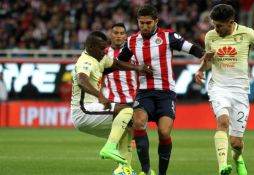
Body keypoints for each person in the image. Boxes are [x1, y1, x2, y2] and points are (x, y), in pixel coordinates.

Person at [116, 5, 209, 175]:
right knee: (138, 122)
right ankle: (145, 171)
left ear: (156, 21)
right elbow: (118, 62)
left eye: (148, 23)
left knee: (164, 132)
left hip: (166, 93)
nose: (144, 26)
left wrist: (204, 55)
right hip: (144, 92)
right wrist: (137, 68)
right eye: (141, 23)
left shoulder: (168, 36)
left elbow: (191, 48)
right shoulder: (131, 41)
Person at [194, 4, 254, 175]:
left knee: (236, 142)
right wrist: (201, 68)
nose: (215, 28)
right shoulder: (210, 36)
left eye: (219, 25)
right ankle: (222, 166)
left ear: (231, 22)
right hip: (218, 87)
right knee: (222, 123)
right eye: (214, 24)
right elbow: (209, 60)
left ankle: (237, 159)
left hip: (240, 91)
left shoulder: (247, 34)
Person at [70, 31, 152, 167]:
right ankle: (109, 147)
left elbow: (117, 64)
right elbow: (81, 80)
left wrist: (137, 68)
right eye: (101, 48)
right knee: (126, 110)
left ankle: (123, 169)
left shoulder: (99, 58)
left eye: (105, 47)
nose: (104, 51)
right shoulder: (85, 61)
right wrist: (100, 95)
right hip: (83, 111)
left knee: (127, 128)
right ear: (90, 47)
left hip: (93, 110)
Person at [103, 23, 137, 173]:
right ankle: (124, 168)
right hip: (114, 101)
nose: (118, 35)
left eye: (122, 33)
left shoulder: (133, 52)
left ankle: (125, 167)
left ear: (125, 36)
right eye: (115, 32)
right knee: (124, 134)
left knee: (132, 135)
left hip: (133, 98)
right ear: (111, 35)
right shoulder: (103, 53)